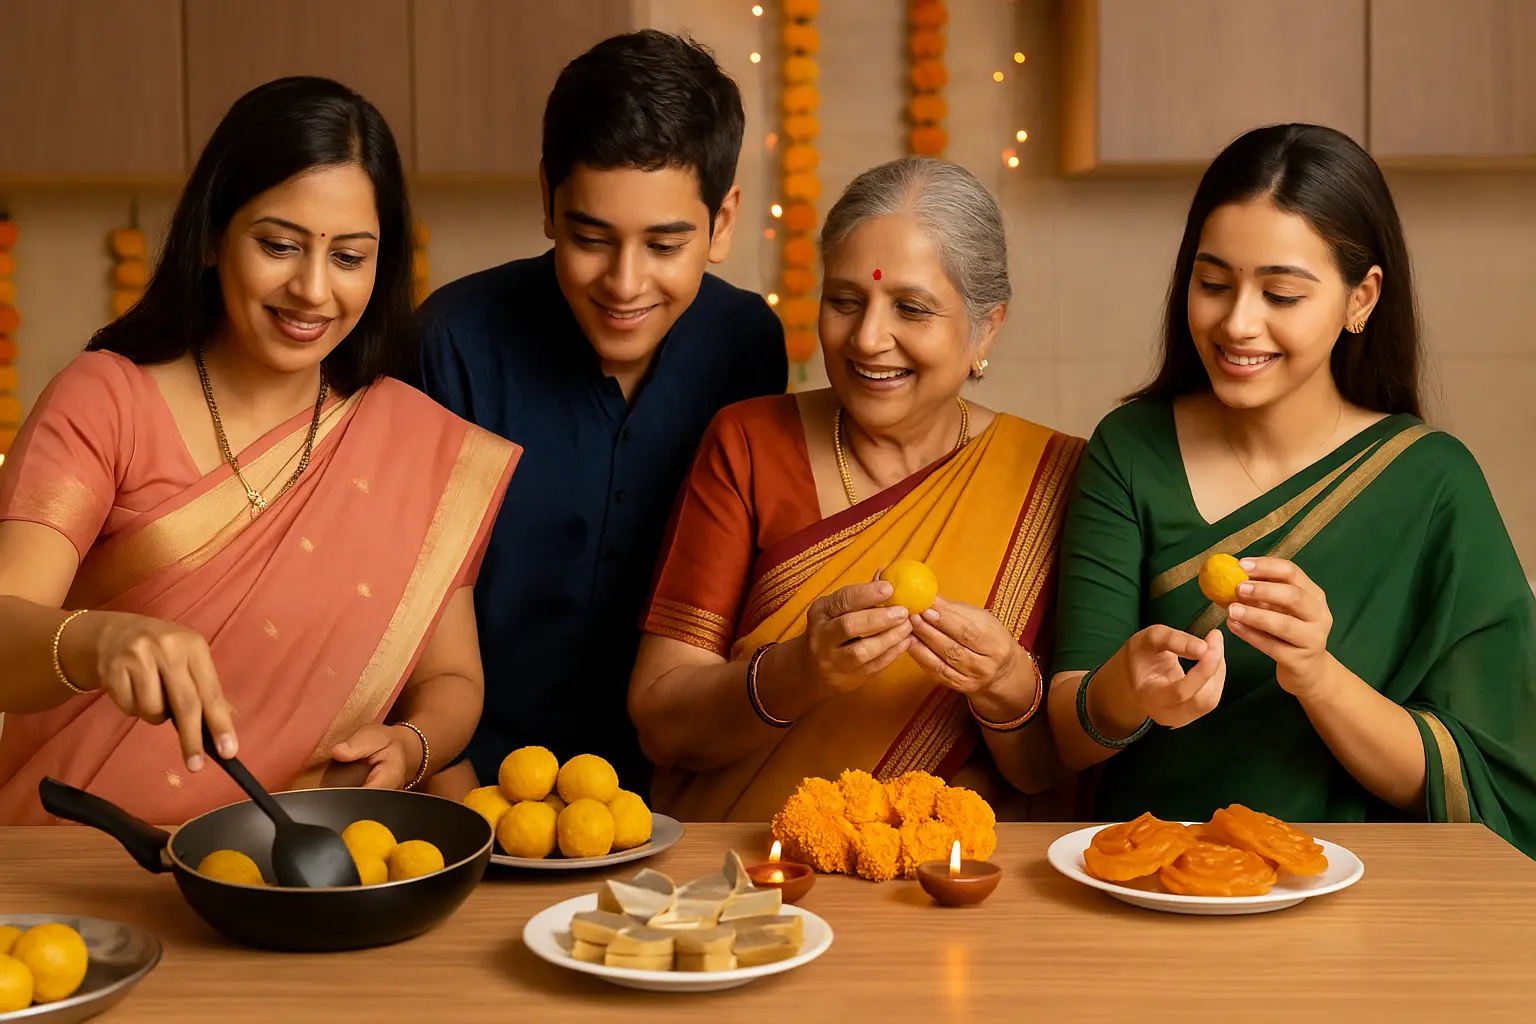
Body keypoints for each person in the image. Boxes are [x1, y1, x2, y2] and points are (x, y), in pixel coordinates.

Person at [0, 77, 519, 825]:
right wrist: (93, 640)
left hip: (297, 879)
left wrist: (411, 745)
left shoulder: (413, 442)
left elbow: (452, 682)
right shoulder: (105, 401)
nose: (312, 289)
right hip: (83, 865)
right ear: (213, 234)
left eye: (349, 257)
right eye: (279, 246)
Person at [1048, 123, 1536, 854]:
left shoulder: (1434, 481)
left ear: (1360, 299)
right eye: (1212, 284)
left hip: (1348, 896)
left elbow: (1477, 780)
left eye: (1281, 294)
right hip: (1148, 878)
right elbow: (1068, 731)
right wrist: (1130, 692)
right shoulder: (1132, 448)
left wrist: (1315, 673)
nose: (1238, 322)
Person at [628, 157, 1083, 822]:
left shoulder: (1054, 477)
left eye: (911, 308)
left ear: (988, 327)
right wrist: (802, 672)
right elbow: (663, 727)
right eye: (845, 301)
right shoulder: (749, 445)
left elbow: (1054, 774)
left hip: (946, 891)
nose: (868, 339)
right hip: (758, 888)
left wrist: (1005, 686)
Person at [417, 30, 786, 798]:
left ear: (722, 224)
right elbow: (400, 609)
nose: (625, 283)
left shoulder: (748, 343)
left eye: (663, 245)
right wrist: (458, 813)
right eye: (591, 238)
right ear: (548, 199)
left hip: (679, 786)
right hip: (476, 787)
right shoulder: (451, 342)